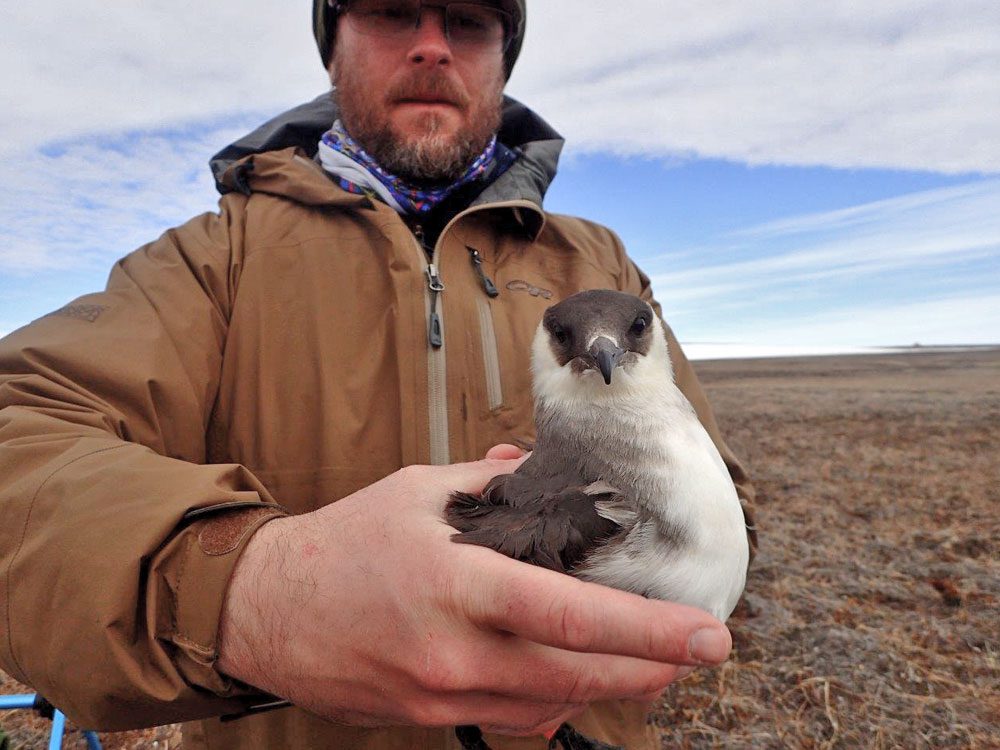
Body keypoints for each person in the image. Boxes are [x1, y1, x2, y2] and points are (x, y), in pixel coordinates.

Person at [0, 2, 757, 748]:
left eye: (467, 20)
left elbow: (718, 493)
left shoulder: (600, 266)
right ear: (334, 46)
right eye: (393, 13)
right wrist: (251, 595)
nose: (432, 47)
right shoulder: (211, 264)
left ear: (504, 56)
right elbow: (17, 433)